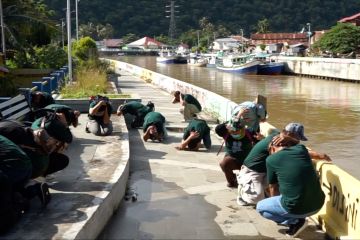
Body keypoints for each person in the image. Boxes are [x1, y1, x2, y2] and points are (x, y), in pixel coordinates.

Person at [236, 122, 331, 206]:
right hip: (252, 170)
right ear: (289, 134)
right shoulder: (277, 140)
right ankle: (242, 191)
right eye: (297, 138)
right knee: (256, 199)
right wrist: (318, 155)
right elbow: (293, 152)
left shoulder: (285, 139)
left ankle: (261, 189)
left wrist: (319, 155)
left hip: (266, 170)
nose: (298, 141)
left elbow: (297, 151)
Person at [256, 134, 326, 237]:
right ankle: (297, 218)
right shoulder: (301, 150)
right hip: (318, 205)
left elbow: (273, 187)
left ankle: (295, 221)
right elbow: (298, 143)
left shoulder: (271, 160)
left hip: (296, 207)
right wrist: (288, 138)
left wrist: (278, 209)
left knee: (261, 207)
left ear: (272, 148)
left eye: (269, 151)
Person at [215, 118, 254, 188]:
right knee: (224, 163)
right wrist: (234, 119)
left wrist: (261, 138)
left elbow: (260, 143)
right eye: (232, 131)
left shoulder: (250, 132)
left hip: (246, 160)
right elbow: (218, 128)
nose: (234, 132)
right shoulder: (225, 132)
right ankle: (231, 181)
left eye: (237, 131)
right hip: (232, 159)